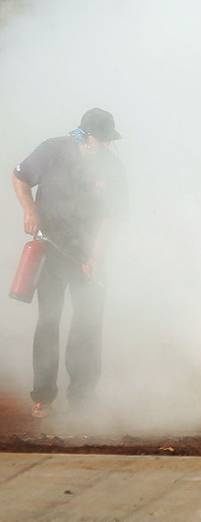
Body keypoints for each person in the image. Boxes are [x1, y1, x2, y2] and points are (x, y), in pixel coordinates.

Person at [11, 108, 127, 418]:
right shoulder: (52, 150)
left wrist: (95, 256)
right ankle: (44, 395)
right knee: (49, 320)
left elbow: (111, 218)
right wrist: (30, 210)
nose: (105, 145)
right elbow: (19, 178)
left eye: (108, 140)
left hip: (89, 253)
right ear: (85, 136)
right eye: (100, 140)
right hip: (50, 248)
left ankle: (82, 397)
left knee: (88, 323)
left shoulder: (112, 167)